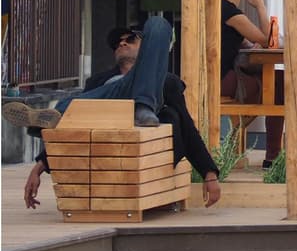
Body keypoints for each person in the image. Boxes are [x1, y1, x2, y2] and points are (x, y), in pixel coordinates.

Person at [2, 17, 221, 209]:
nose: (122, 43)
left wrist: (209, 174)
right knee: (72, 105)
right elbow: (76, 132)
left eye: (130, 39)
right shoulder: (99, 81)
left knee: (158, 24)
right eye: (118, 43)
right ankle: (45, 120)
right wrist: (39, 167)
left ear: (147, 48)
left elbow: (187, 127)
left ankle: (143, 104)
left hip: (149, 103)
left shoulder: (167, 82)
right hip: (109, 98)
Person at [219, 0, 284, 169]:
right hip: (221, 79)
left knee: (274, 82)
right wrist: (261, 6)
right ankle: (272, 156)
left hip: (217, 75)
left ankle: (264, 151)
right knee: (278, 85)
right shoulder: (233, 15)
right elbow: (268, 42)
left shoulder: (217, 9)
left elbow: (246, 43)